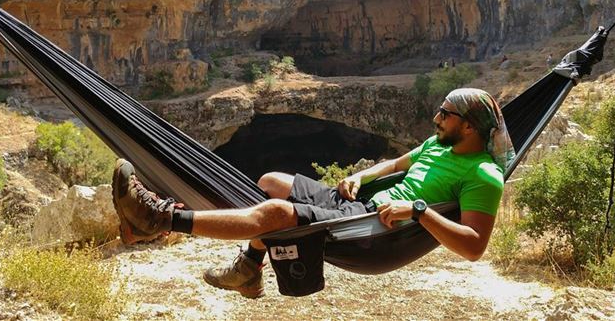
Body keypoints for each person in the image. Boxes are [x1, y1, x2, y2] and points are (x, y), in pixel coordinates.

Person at [112, 88, 514, 298]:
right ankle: (250, 269)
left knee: (275, 213)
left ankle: (158, 220)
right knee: (271, 180)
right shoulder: (436, 145)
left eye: (445, 114)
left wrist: (420, 210)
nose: (436, 118)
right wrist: (360, 176)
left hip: (373, 233)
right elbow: (393, 166)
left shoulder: (484, 175)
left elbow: (475, 247)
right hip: (362, 204)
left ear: (470, 127)